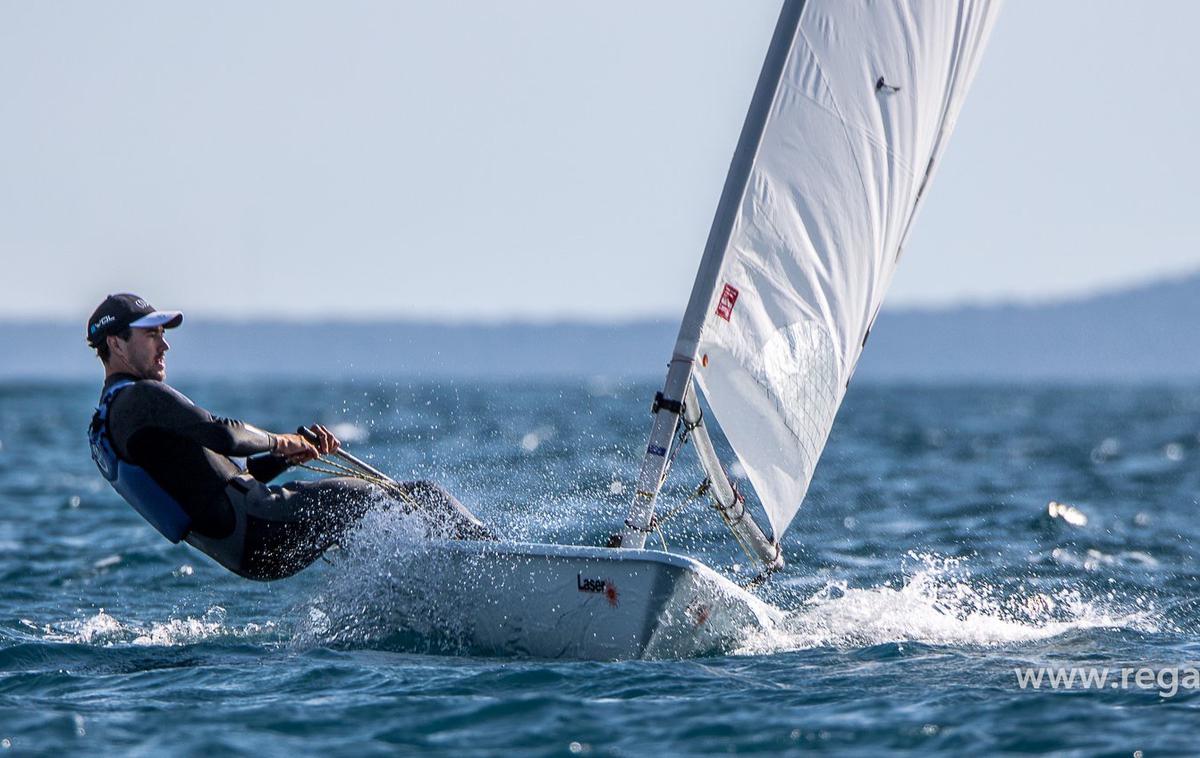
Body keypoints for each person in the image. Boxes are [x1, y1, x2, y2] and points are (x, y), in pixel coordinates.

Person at [85, 293, 492, 581]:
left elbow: (223, 481)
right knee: (419, 495)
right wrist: (282, 441)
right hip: (261, 525)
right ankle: (496, 560)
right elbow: (222, 434)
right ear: (117, 343)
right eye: (151, 335)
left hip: (249, 547)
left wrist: (285, 457)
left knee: (377, 522)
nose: (165, 344)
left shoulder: (114, 418)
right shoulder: (140, 399)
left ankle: (425, 585)